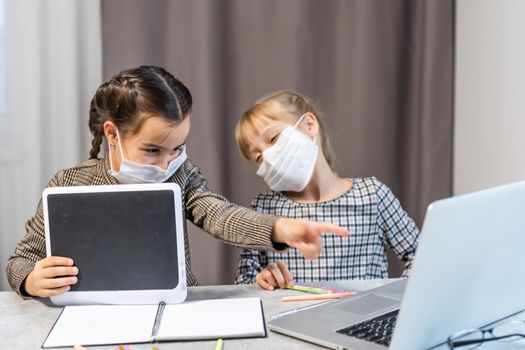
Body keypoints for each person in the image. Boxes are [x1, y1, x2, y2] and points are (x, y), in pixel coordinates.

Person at [5, 66, 349, 298]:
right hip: (90, 316)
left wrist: (278, 229)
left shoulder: (179, 175)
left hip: (175, 309)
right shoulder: (68, 185)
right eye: (153, 149)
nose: (167, 162)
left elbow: (220, 214)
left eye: (177, 148)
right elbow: (18, 261)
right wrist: (31, 280)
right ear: (112, 134)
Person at [234, 90, 420, 290]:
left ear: (309, 125)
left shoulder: (372, 195)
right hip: (293, 320)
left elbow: (422, 257)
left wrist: (396, 303)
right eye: (259, 157)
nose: (269, 156)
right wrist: (263, 280)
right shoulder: (263, 208)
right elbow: (244, 283)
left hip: (361, 320)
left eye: (273, 139)